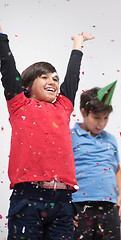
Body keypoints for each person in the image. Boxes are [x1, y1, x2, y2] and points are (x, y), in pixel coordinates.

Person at [0, 25, 94, 240]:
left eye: (54, 79)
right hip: (28, 198)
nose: (52, 81)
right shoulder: (19, 104)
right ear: (27, 85)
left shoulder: (63, 107)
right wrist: (1, 37)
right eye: (44, 77)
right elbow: (7, 66)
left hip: (62, 199)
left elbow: (73, 78)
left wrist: (77, 44)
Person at [71, 84, 121, 240]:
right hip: (80, 204)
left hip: (109, 205)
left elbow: (116, 168)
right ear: (83, 112)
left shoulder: (110, 140)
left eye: (106, 118)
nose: (101, 123)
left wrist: (120, 196)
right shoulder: (70, 137)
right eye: (96, 118)